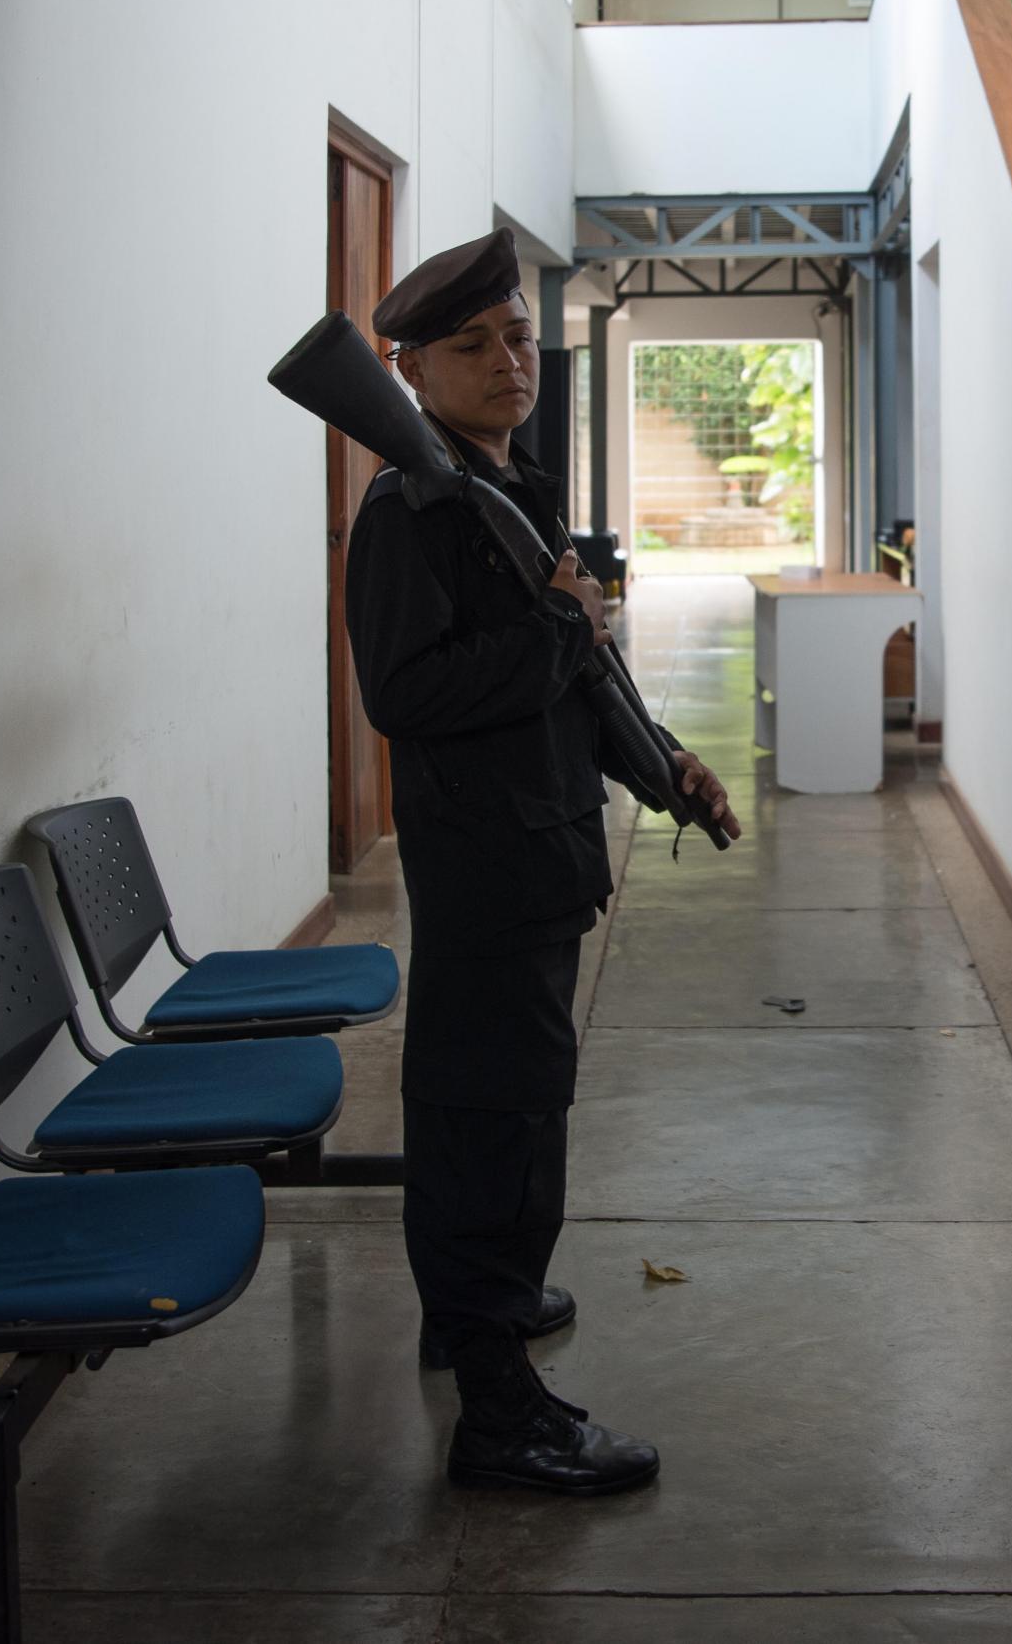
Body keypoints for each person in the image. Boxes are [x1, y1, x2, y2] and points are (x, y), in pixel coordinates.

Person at [343, 224, 741, 1497]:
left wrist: (661, 763)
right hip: (488, 870)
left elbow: (581, 679)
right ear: (412, 369)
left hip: (541, 850)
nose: (510, 359)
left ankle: (477, 1312)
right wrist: (562, 634)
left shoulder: (504, 490)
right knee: (488, 1125)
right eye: (474, 345)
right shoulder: (414, 511)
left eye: (517, 334)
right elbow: (405, 693)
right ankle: (499, 1409)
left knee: (512, 1113)